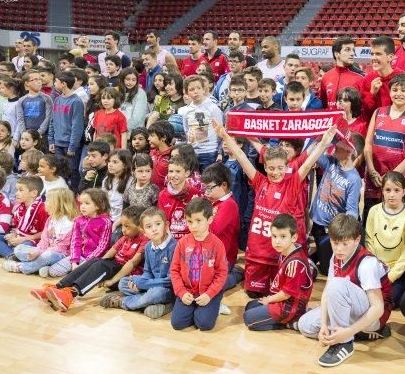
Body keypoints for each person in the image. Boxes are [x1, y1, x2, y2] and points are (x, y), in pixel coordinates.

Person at [214, 121, 336, 296]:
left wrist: (323, 143)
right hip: (258, 252)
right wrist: (225, 136)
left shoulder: (293, 183)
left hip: (280, 254)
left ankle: (306, 266)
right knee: (253, 294)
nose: (275, 172)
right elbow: (241, 156)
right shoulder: (260, 182)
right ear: (265, 167)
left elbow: (308, 164)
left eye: (280, 168)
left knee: (277, 294)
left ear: (286, 167)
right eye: (271, 168)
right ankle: (240, 273)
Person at [297, 214, 393, 367]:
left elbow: (378, 308)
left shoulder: (367, 263)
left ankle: (344, 343)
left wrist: (346, 334)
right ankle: (358, 333)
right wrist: (323, 326)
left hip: (374, 316)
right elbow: (326, 293)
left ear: (356, 240)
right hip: (349, 309)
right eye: (335, 243)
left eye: (344, 244)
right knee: (305, 325)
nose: (339, 249)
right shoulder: (334, 258)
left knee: (337, 284)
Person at [35, 205, 147, 312]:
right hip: (114, 267)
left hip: (125, 275)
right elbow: (111, 252)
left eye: (127, 226)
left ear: (140, 227)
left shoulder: (145, 241)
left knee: (102, 264)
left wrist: (112, 280)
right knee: (95, 260)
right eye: (122, 225)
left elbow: (132, 263)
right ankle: (58, 287)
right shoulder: (126, 237)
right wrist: (97, 263)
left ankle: (71, 294)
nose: (123, 229)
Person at [363, 73, 405, 223]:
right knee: (370, 220)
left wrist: (390, 178)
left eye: (403, 90)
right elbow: (368, 145)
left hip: (396, 181)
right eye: (395, 90)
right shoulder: (378, 112)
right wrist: (372, 171)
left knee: (392, 221)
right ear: (390, 92)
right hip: (374, 179)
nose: (399, 94)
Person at [244, 214, 316, 331]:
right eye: (274, 236)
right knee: (250, 307)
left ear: (294, 237)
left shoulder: (295, 262)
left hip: (289, 307)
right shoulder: (285, 252)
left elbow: (286, 294)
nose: (277, 241)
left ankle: (293, 322)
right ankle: (287, 320)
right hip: (281, 301)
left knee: (249, 319)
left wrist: (269, 300)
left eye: (283, 236)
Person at [102, 206, 177, 318]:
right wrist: (139, 281)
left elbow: (171, 281)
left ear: (166, 226)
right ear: (144, 232)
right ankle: (156, 305)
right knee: (123, 283)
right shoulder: (147, 247)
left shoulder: (174, 247)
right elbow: (147, 272)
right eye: (149, 226)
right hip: (151, 285)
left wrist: (143, 283)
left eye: (158, 224)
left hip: (169, 289)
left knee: (155, 293)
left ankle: (123, 302)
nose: (154, 229)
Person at [169, 197, 229, 331]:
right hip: (188, 292)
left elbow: (222, 273)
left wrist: (209, 294)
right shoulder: (182, 243)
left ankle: (215, 305)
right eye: (189, 221)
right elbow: (174, 270)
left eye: (198, 221)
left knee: (204, 324)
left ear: (209, 220)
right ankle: (197, 310)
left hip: (208, 292)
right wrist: (182, 292)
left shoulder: (217, 244)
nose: (193, 226)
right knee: (177, 324)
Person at [310, 133, 364, 275]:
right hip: (317, 222)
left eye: (339, 147)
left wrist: (343, 231)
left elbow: (352, 210)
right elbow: (311, 153)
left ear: (350, 151)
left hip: (330, 230)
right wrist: (323, 139)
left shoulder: (354, 179)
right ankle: (314, 256)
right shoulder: (331, 162)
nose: (335, 148)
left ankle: (315, 257)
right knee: (323, 261)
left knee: (326, 270)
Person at [364, 172, 405, 309]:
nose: (392, 194)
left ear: (403, 192)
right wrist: (375, 268)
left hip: (397, 271)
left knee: (389, 302)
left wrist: (390, 277)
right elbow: (369, 240)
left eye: (396, 190)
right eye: (388, 190)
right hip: (376, 267)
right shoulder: (374, 211)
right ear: (382, 191)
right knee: (365, 298)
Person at [4, 187, 77, 276]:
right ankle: (40, 266)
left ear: (59, 204)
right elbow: (44, 242)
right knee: (19, 249)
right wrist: (37, 251)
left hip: (60, 255)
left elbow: (61, 248)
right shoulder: (51, 219)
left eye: (48, 200)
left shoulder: (70, 223)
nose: (45, 203)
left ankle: (22, 267)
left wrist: (39, 253)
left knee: (48, 255)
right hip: (45, 251)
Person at [360, 36, 405, 120]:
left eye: (378, 54)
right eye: (372, 54)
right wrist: (372, 94)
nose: (373, 58)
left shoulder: (404, 78)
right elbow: (364, 114)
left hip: (398, 129)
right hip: (375, 129)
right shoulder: (368, 79)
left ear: (390, 57)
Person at [0, 176, 48, 260]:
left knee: (25, 247)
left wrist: (24, 238)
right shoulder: (19, 207)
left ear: (33, 193)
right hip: (19, 238)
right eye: (17, 190)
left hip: (33, 242)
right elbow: (17, 228)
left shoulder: (43, 209)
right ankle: (12, 255)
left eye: (21, 190)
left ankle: (8, 253)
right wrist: (13, 235)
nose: (16, 193)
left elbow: (45, 233)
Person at [48, 72, 85, 191]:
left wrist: (72, 146)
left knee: (72, 171)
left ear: (63, 84)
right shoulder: (57, 99)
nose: (54, 84)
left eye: (56, 81)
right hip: (57, 143)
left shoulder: (76, 101)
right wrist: (51, 140)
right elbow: (52, 121)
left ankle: (72, 196)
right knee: (59, 171)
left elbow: (77, 126)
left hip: (69, 145)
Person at [319, 36, 365, 109]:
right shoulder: (326, 77)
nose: (352, 53)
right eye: (347, 50)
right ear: (337, 54)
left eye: (353, 50)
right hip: (332, 120)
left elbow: (364, 106)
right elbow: (323, 105)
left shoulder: (360, 77)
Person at [20, 71, 53, 140]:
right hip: (26, 135)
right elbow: (20, 118)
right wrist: (24, 133)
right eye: (35, 80)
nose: (39, 82)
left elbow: (48, 117)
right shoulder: (21, 100)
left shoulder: (47, 98)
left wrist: (39, 132)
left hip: (42, 136)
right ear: (27, 83)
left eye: (40, 79)